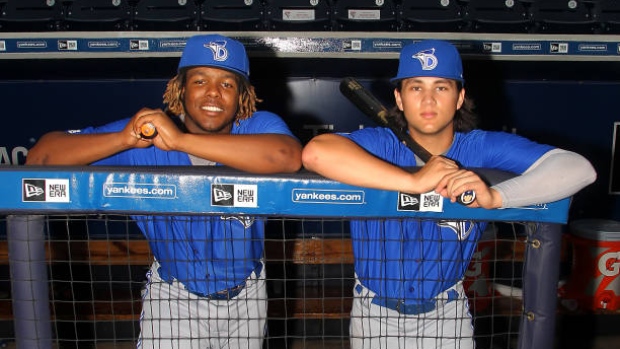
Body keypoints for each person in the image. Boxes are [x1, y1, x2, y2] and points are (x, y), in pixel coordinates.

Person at [301, 39, 596, 349]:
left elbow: (579, 168)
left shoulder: (479, 148)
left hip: (446, 314)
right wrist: (412, 181)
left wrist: (496, 197)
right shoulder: (380, 144)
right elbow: (315, 152)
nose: (428, 100)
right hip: (373, 314)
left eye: (441, 88)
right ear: (399, 99)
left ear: (460, 97)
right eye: (416, 88)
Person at [26, 34, 302, 349]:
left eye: (227, 84)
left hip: (248, 296)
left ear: (242, 96)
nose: (213, 92)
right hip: (174, 297)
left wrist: (180, 141)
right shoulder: (145, 137)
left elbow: (288, 157)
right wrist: (124, 139)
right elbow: (41, 156)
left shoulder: (257, 127)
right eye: (200, 81)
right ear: (180, 89)